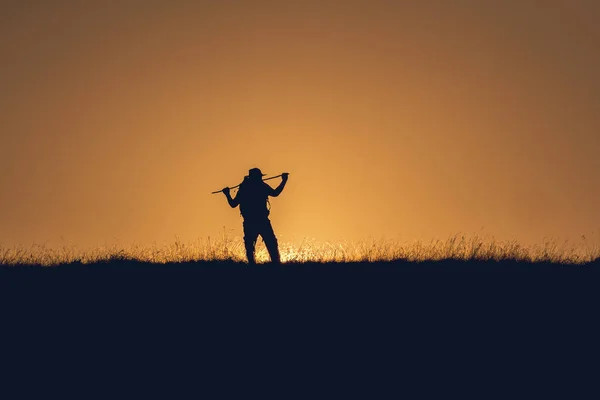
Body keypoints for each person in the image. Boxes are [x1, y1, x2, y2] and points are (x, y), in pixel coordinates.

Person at [222, 168, 289, 264]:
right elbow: (275, 193)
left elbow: (233, 204)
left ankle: (252, 266)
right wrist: (284, 181)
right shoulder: (261, 186)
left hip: (249, 221)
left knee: (250, 245)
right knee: (271, 243)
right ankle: (276, 264)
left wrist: (227, 194)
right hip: (262, 221)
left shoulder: (244, 188)